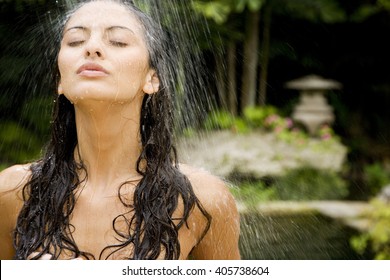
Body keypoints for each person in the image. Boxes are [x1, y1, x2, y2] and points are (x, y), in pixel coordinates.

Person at [0, 0, 240, 260]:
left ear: (152, 79)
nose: (92, 48)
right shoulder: (13, 193)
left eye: (118, 41)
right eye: (75, 41)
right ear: (59, 80)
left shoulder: (202, 201)